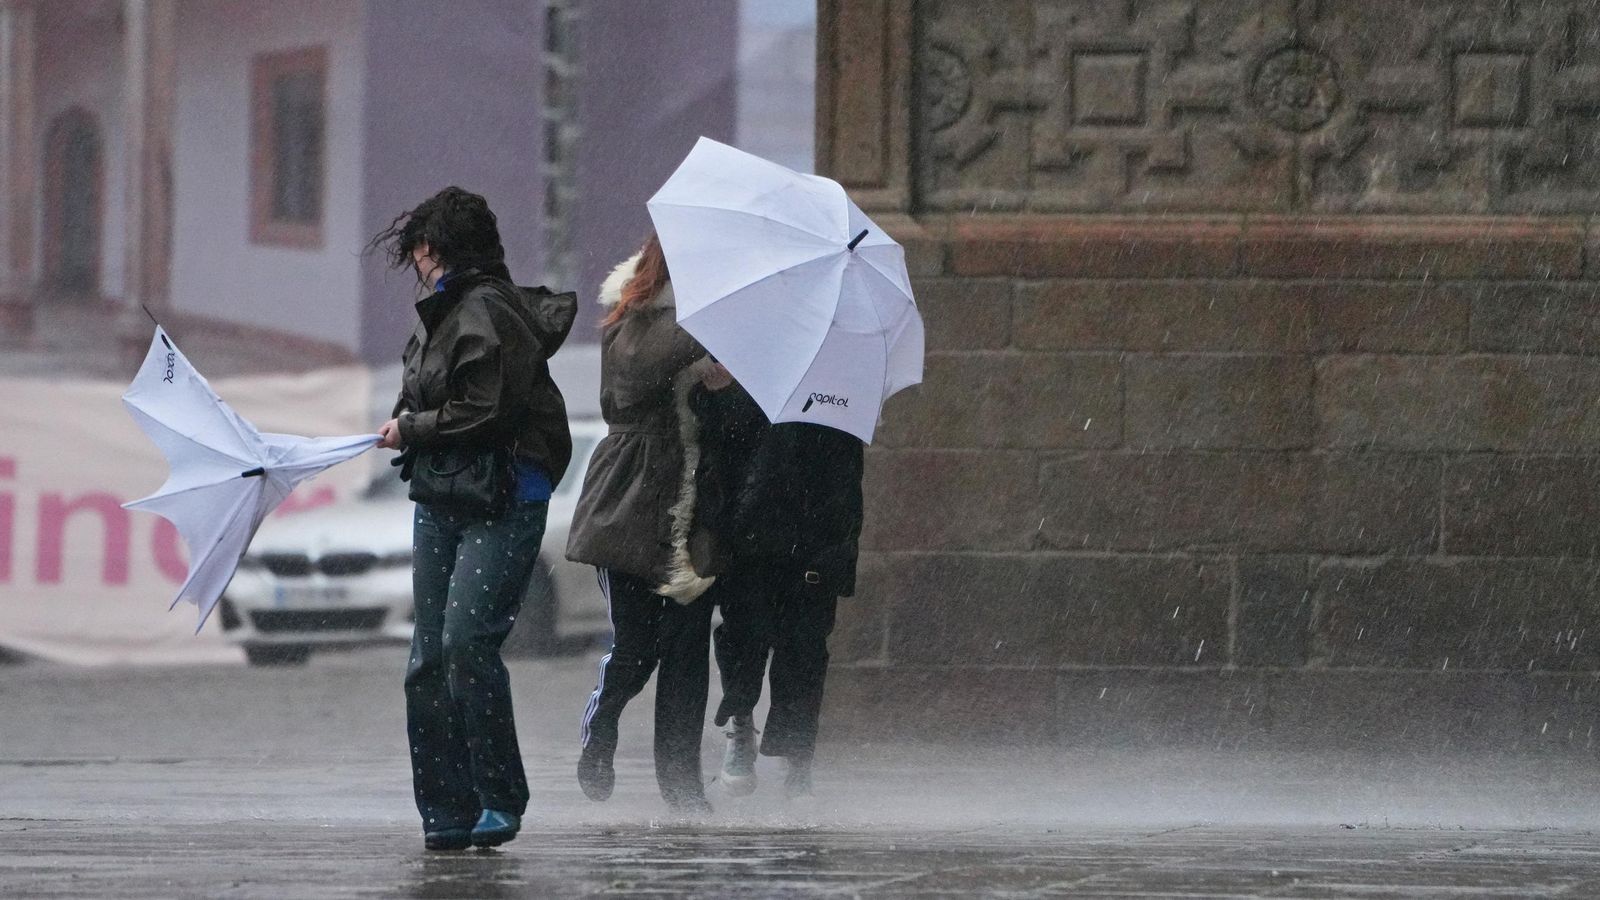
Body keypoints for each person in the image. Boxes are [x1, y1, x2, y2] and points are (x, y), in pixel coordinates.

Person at [371, 186, 576, 851]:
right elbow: (423, 394)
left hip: (504, 494)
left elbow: (487, 410)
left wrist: (415, 427)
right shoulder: (437, 316)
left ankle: (498, 797)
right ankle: (445, 811)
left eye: (419, 252)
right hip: (442, 495)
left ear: (433, 248)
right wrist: (406, 420)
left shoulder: (489, 312)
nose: (417, 263)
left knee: (464, 641)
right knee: (426, 659)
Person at [565, 233, 728, 815]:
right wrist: (708, 337)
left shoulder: (712, 328)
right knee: (637, 643)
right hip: (630, 498)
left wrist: (723, 383)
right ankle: (602, 722)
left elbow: (728, 423)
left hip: (692, 511)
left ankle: (684, 788)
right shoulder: (633, 316)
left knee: (686, 651)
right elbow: (641, 369)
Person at [707, 399, 865, 800]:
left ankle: (798, 758)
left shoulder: (836, 401)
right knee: (744, 638)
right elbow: (721, 457)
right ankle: (741, 726)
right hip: (752, 543)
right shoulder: (749, 388)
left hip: (811, 545)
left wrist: (834, 554)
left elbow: (845, 486)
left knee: (804, 651)